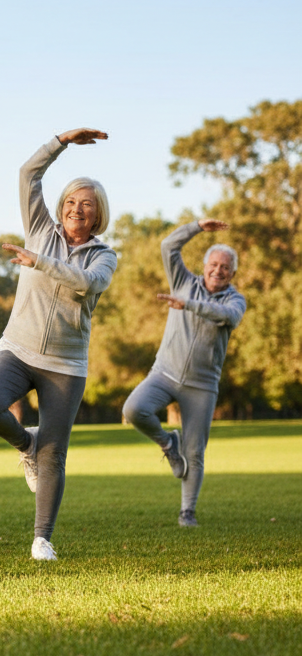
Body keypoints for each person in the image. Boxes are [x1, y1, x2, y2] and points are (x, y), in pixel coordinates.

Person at [0, 129, 117, 561]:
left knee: (55, 452)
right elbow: (28, 173)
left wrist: (41, 262)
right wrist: (61, 141)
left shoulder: (103, 256)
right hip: (18, 349)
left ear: (97, 215)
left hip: (65, 364)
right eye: (71, 201)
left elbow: (89, 284)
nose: (76, 209)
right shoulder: (40, 228)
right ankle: (24, 445)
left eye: (86, 205)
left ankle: (42, 539)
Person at [121, 220, 246, 527]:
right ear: (204, 266)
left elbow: (227, 316)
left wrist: (190, 305)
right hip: (164, 372)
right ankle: (167, 444)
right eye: (214, 264)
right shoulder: (182, 280)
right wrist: (197, 227)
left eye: (225, 267)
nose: (218, 270)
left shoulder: (235, 300)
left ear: (232, 273)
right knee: (134, 409)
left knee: (195, 451)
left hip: (202, 386)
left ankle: (187, 511)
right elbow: (168, 246)